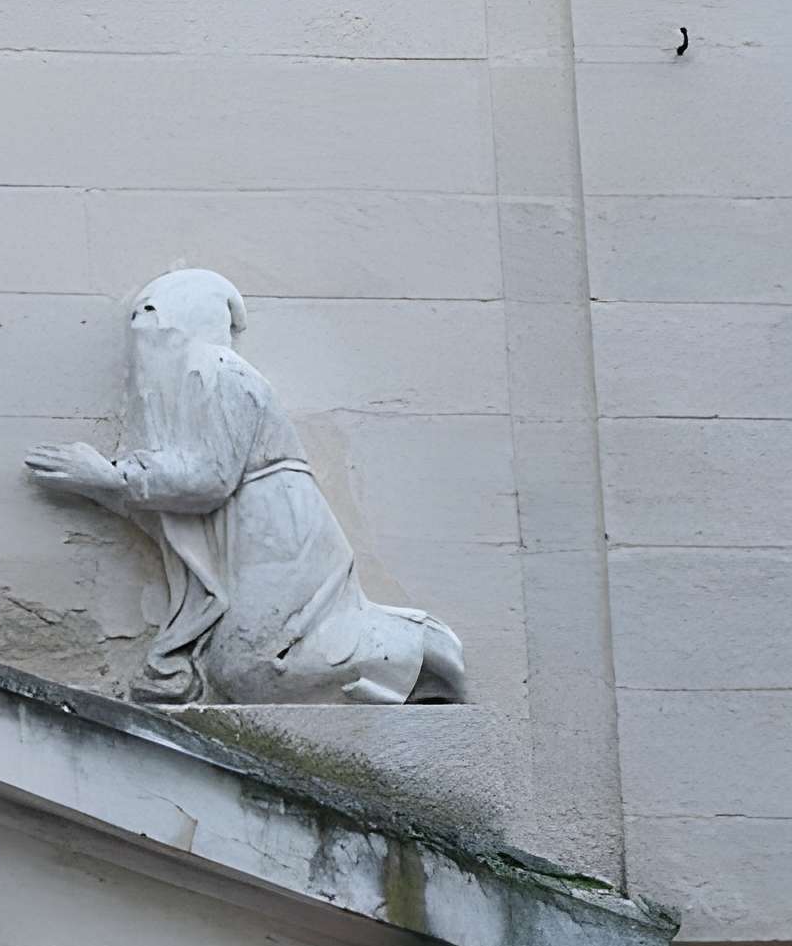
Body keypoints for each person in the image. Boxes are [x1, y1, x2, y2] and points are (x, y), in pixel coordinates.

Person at [25, 267, 466, 705]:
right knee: (247, 667)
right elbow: (175, 496)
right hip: (248, 532)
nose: (143, 334)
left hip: (277, 529)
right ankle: (399, 662)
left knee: (257, 666)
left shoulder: (219, 370)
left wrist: (111, 477)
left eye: (154, 318)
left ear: (185, 318)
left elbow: (209, 478)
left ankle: (421, 651)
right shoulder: (182, 389)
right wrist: (101, 482)